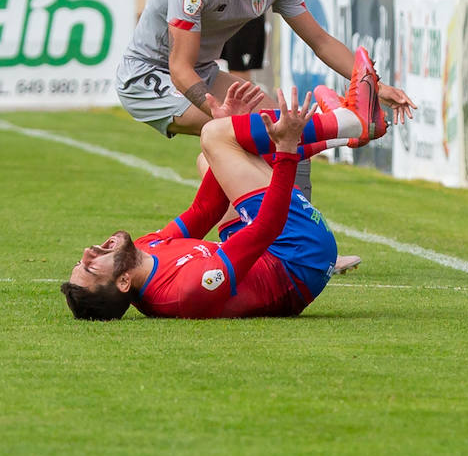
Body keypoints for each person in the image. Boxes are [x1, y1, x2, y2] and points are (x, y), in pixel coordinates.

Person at [115, 0, 416, 201]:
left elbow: (321, 41)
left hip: (201, 72)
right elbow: (179, 67)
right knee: (268, 132)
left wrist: (376, 86)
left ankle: (301, 247)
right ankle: (345, 126)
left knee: (290, 136)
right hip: (147, 77)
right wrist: (216, 110)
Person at [60, 71, 381, 321]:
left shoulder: (142, 250)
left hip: (269, 248)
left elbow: (206, 209)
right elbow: (265, 229)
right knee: (214, 137)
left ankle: (339, 138)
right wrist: (284, 149)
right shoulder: (187, 290)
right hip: (298, 258)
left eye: (81, 259)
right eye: (90, 266)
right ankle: (350, 123)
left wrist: (230, 129)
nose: (89, 252)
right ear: (124, 283)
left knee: (211, 151)